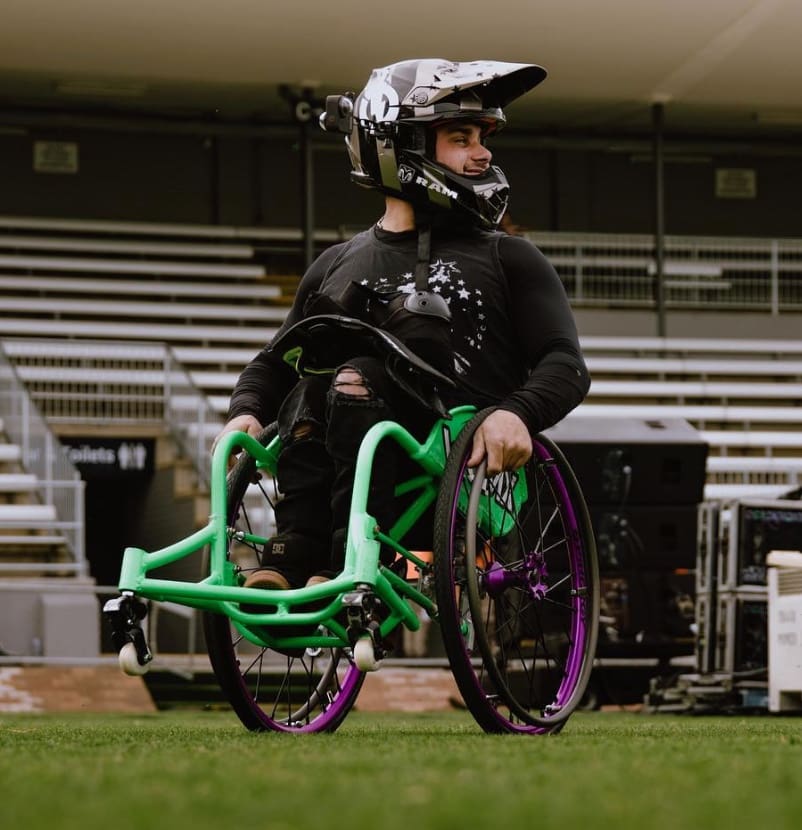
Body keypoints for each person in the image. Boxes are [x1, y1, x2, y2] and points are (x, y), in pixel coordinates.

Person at [214, 58, 591, 592]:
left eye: (482, 137)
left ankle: (346, 553)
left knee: (355, 376)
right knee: (308, 387)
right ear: (401, 146)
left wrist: (516, 414)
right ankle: (297, 550)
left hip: (449, 464)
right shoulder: (334, 263)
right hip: (340, 443)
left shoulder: (512, 258)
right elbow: (276, 361)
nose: (483, 152)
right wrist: (245, 413)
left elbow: (565, 365)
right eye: (461, 137)